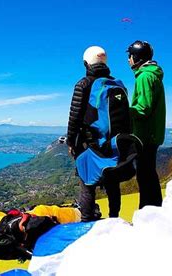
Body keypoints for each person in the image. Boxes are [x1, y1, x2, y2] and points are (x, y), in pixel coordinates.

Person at [67, 46, 124, 221]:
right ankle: (114, 219)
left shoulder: (83, 84)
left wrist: (71, 142)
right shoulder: (117, 84)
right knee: (112, 183)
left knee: (87, 183)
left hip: (90, 144)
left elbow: (74, 117)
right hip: (114, 144)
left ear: (86, 63)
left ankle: (86, 222)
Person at [126, 40, 166, 208]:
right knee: (149, 174)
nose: (128, 60)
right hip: (152, 134)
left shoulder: (144, 76)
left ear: (137, 57)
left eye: (130, 56)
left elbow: (143, 108)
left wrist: (123, 110)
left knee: (144, 175)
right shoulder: (152, 75)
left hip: (145, 135)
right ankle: (155, 208)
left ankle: (147, 211)